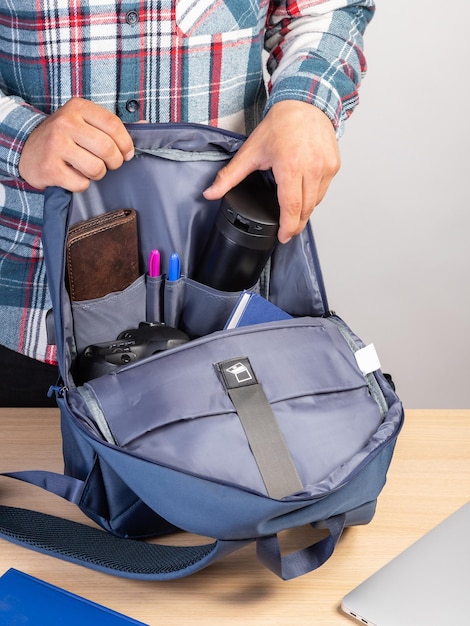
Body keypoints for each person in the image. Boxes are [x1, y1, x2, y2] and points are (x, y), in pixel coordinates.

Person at [0, 0, 375, 406]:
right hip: (28, 317)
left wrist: (306, 104)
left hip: (233, 321)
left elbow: (328, 9)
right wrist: (19, 137)